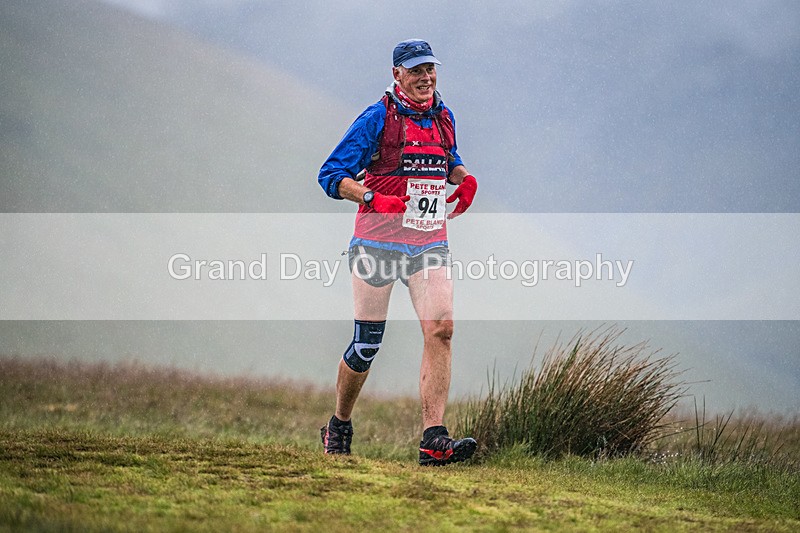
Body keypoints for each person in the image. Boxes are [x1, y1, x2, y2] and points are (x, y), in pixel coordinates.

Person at [317, 39, 478, 466]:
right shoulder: (376, 118)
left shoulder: (444, 117)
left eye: (431, 69)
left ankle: (433, 440)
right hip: (377, 242)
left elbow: (449, 161)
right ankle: (339, 423)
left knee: (441, 329)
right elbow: (331, 175)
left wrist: (464, 179)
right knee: (367, 344)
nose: (426, 77)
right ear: (397, 75)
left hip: (427, 241)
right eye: (416, 71)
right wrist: (370, 195)